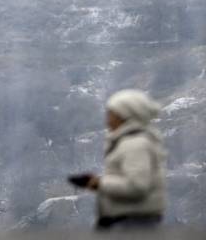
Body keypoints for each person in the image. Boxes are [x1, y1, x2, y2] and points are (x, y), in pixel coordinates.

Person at [71, 89, 167, 230]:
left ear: (125, 116)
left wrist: (99, 183)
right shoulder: (130, 141)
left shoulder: (135, 144)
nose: (107, 119)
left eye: (111, 114)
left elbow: (137, 186)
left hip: (132, 223)